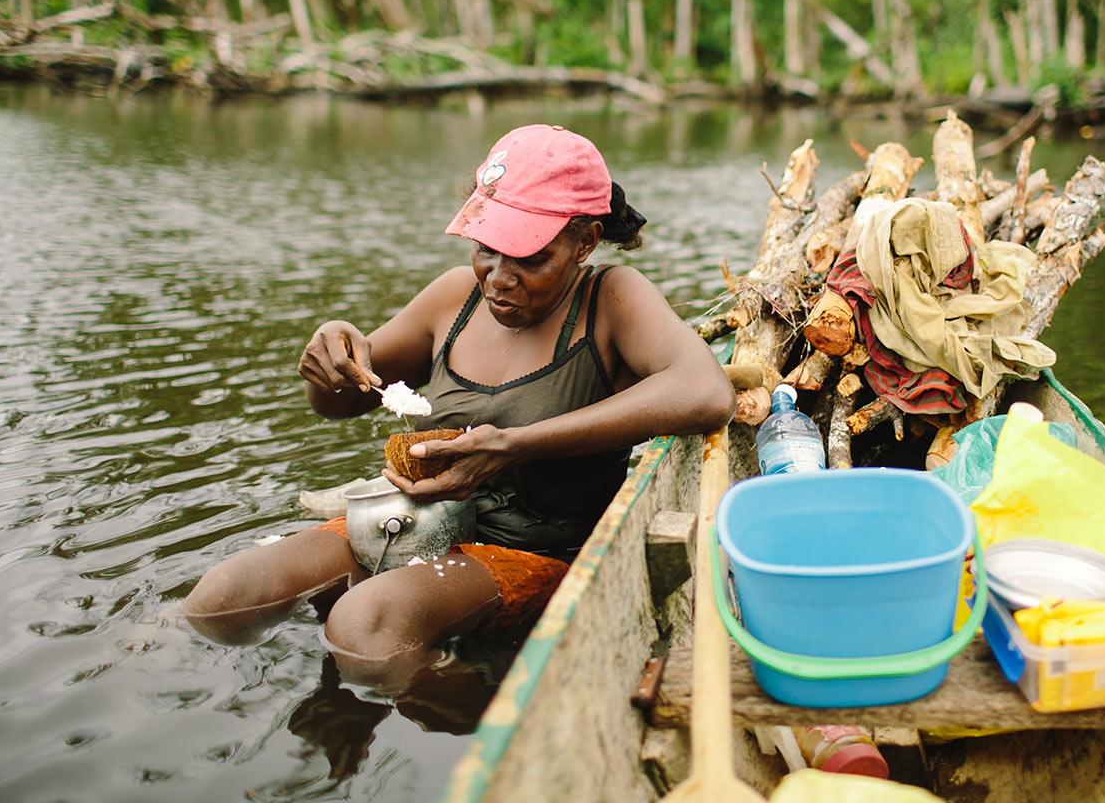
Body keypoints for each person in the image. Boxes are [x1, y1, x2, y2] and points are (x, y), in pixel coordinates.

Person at [183, 124, 735, 687]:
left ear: (585, 242)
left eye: (529, 257)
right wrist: (326, 359)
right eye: (484, 249)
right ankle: (341, 729)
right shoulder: (454, 298)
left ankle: (468, 696)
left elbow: (706, 392)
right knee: (224, 598)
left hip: (536, 548)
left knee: (363, 628)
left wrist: (514, 446)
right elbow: (339, 404)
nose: (498, 278)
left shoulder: (611, 301)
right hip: (416, 522)